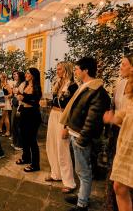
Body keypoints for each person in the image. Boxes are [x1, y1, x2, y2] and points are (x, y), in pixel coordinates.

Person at [60, 57, 110, 211]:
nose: (75, 71)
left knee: (84, 171)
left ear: (85, 70)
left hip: (80, 137)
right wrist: (68, 127)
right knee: (79, 170)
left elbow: (92, 120)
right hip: (74, 133)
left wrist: (82, 139)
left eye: (77, 69)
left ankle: (82, 203)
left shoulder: (97, 91)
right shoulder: (86, 86)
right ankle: (82, 194)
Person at [105, 54, 133, 211]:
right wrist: (113, 118)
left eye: (123, 64)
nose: (120, 67)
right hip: (123, 140)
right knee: (119, 186)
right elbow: (124, 111)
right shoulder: (126, 86)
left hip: (130, 143)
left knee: (120, 186)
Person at [45, 62, 77, 193]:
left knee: (62, 148)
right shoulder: (58, 83)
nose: (57, 71)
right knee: (50, 144)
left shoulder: (73, 86)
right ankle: (55, 174)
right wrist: (47, 103)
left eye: (59, 69)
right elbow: (55, 100)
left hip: (63, 117)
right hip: (53, 115)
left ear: (66, 70)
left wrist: (66, 126)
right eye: (57, 69)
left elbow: (73, 108)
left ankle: (69, 182)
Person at [16, 68, 42, 172]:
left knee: (32, 140)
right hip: (24, 113)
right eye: (26, 73)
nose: (26, 74)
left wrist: (23, 98)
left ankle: (35, 165)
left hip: (33, 115)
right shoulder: (26, 85)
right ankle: (26, 158)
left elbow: (35, 102)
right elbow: (21, 96)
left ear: (33, 75)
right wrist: (20, 96)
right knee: (24, 137)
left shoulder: (37, 87)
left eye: (28, 73)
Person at [11, 71, 25, 150]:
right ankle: (15, 141)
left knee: (18, 125)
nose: (15, 76)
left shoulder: (23, 84)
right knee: (14, 123)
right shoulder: (17, 83)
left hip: (19, 105)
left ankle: (19, 143)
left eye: (17, 75)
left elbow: (20, 94)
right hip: (15, 104)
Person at [0, 73, 12, 137]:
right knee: (4, 117)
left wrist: (6, 96)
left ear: (4, 78)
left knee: (4, 117)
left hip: (5, 102)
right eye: (0, 77)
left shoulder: (7, 85)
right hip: (0, 101)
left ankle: (7, 131)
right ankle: (2, 129)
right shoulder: (0, 85)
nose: (0, 79)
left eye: (1, 77)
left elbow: (11, 94)